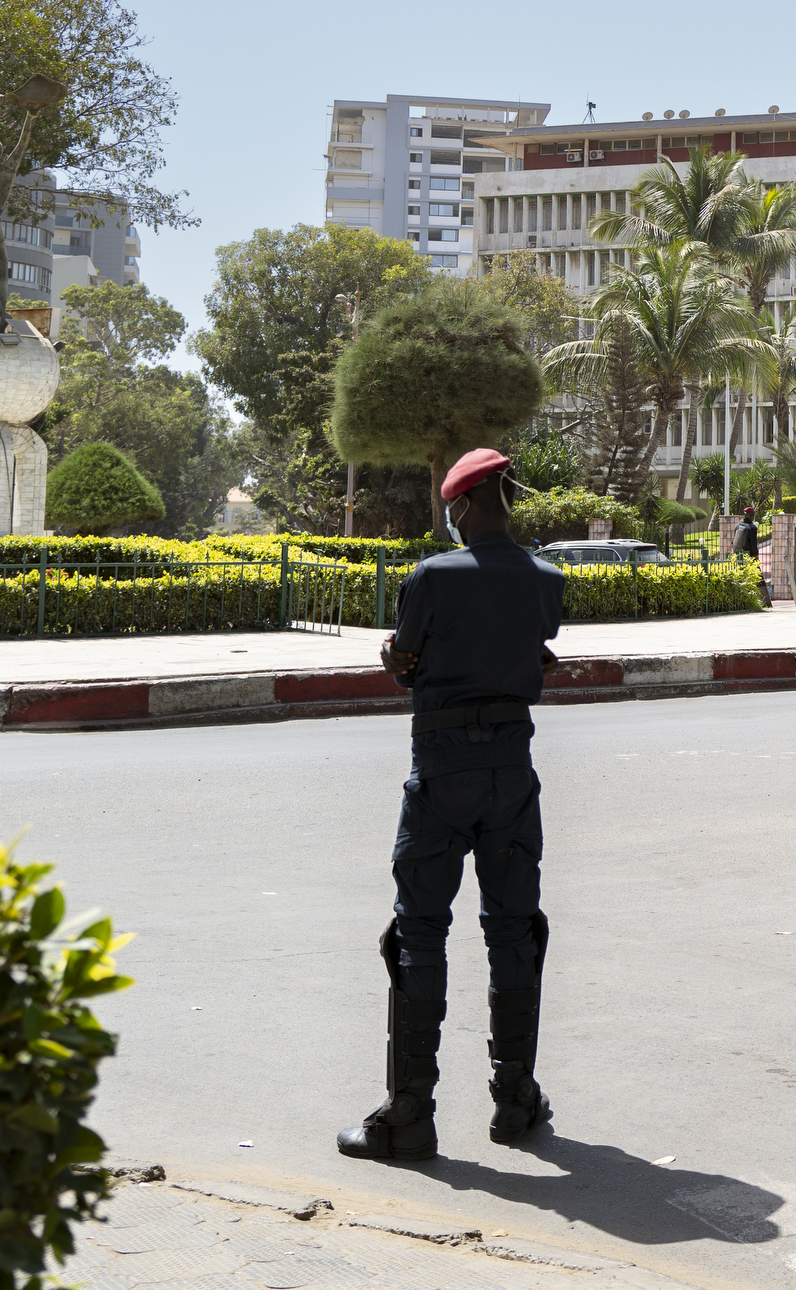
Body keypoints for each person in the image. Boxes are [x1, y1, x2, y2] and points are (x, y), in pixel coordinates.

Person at [340, 448, 566, 1163]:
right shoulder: (545, 578)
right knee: (513, 930)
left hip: (442, 770)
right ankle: (515, 1100)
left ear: (463, 505)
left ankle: (410, 1111)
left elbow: (405, 657)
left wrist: (391, 658)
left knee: (418, 933)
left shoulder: (431, 577)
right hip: (512, 770)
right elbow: (535, 654)